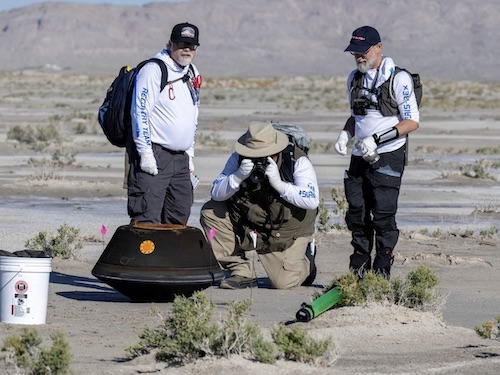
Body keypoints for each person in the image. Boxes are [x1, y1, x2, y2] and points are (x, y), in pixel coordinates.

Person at [334, 26, 419, 279]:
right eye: (355, 53)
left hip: (388, 155)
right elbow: (355, 117)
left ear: (378, 48)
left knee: (382, 214)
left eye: (363, 52)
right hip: (360, 155)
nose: (359, 57)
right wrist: (345, 134)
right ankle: (358, 270)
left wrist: (377, 139)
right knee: (357, 213)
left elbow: (412, 121)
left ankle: (381, 271)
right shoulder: (354, 78)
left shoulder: (398, 79)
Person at [200, 121, 319, 289]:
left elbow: (312, 199)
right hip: (252, 223)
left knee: (283, 283)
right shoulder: (238, 158)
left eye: (266, 154)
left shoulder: (296, 160)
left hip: (287, 230)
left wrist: (280, 185)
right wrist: (237, 176)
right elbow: (216, 193)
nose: (258, 159)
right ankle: (240, 270)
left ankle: (307, 260)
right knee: (211, 211)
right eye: (253, 154)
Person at [127, 22, 202, 224]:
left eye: (191, 45)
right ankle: (143, 256)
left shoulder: (192, 72)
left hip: (181, 159)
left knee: (179, 214)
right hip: (155, 154)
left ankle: (171, 256)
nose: (186, 49)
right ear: (170, 43)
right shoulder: (154, 70)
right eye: (181, 43)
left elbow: (193, 114)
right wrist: (145, 154)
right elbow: (139, 113)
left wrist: (190, 155)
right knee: (147, 216)